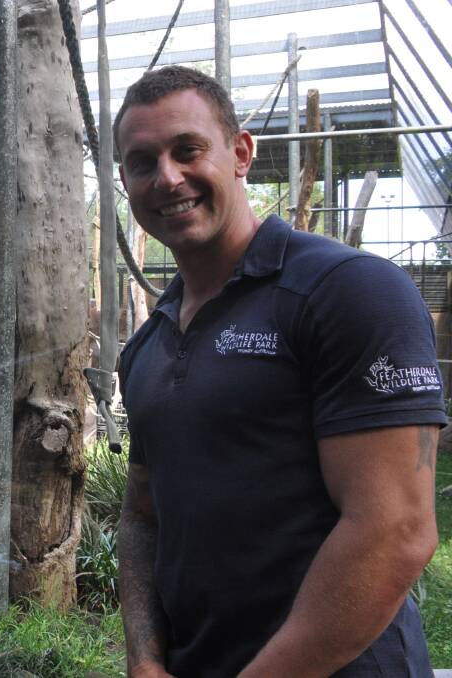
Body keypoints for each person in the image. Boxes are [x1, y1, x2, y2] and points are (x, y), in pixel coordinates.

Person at [115, 65, 445, 677]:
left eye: (188, 150)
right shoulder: (149, 342)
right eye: (141, 162)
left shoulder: (347, 292)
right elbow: (141, 516)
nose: (167, 177)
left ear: (241, 154)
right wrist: (145, 658)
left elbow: (396, 530)